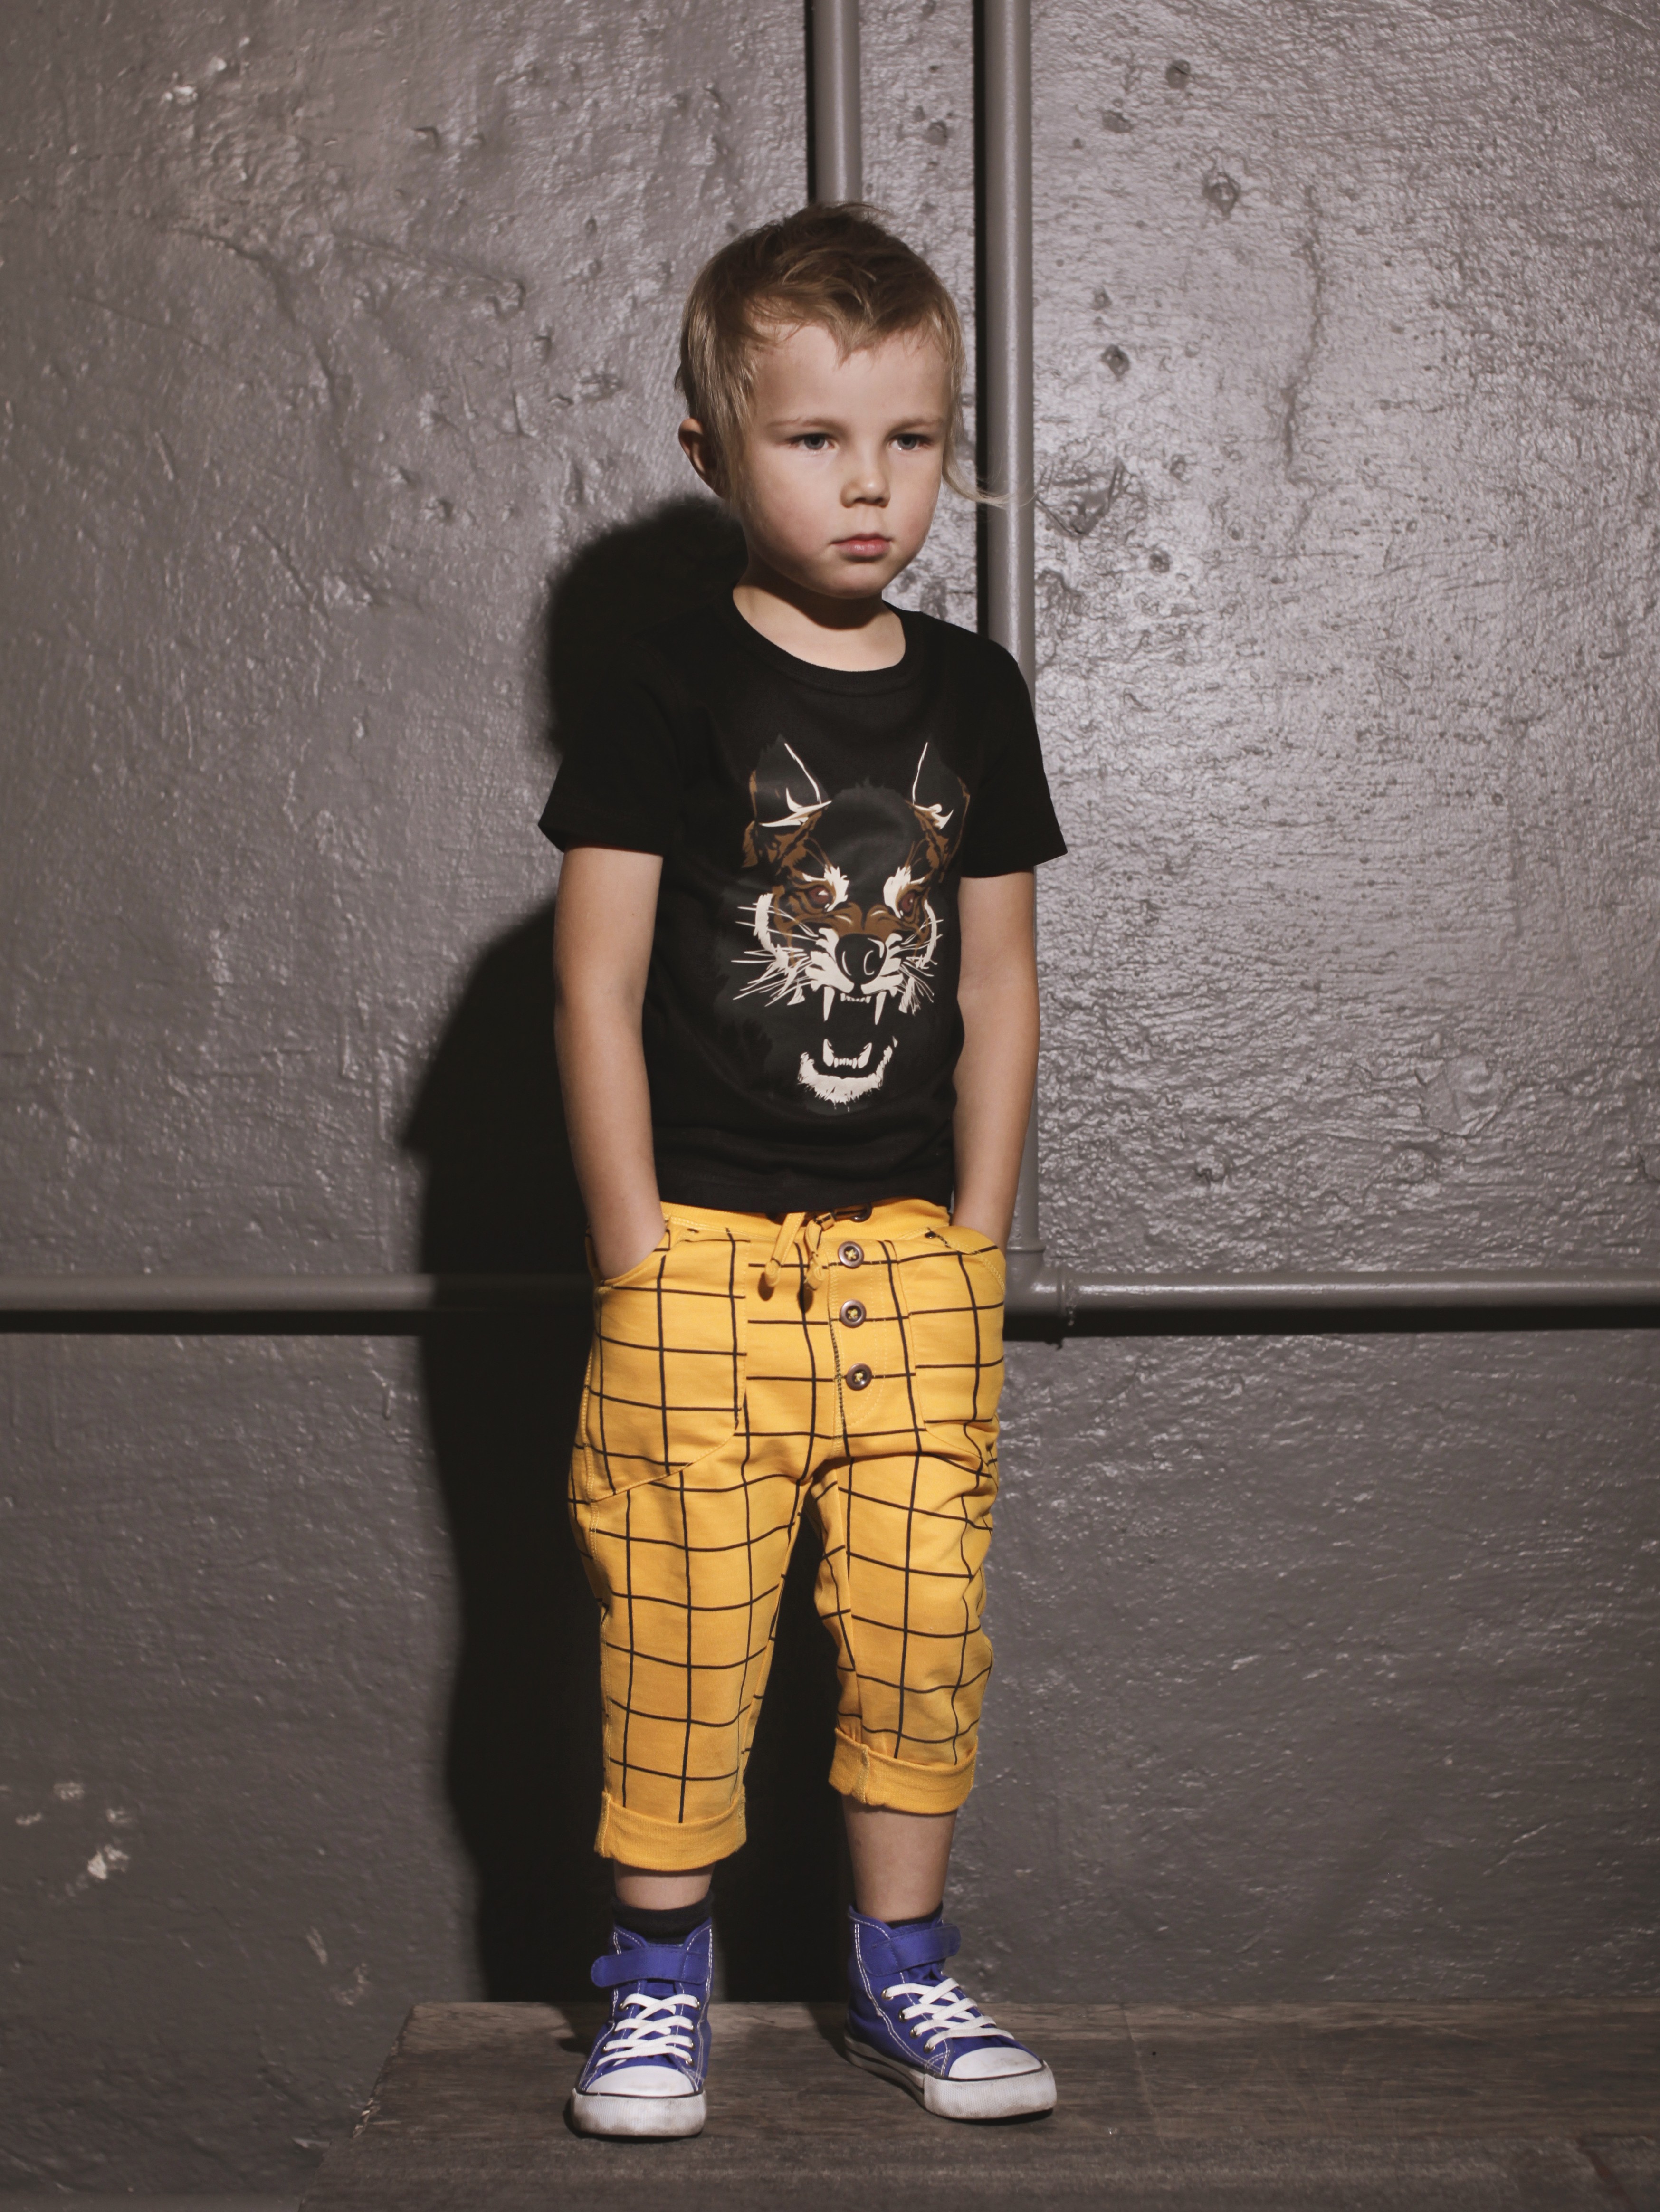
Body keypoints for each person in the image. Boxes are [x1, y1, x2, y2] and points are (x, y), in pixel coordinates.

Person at [541, 202, 1067, 2138]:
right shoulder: (662, 685)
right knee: (681, 1635)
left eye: (910, 439)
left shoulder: (975, 694)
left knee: (923, 1632)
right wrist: (634, 1251)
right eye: (816, 438)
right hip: (699, 1259)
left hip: (907, 1264)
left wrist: (975, 1240)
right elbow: (593, 987)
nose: (869, 484)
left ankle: (901, 1972)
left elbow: (996, 982)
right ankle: (652, 1986)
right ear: (713, 452)